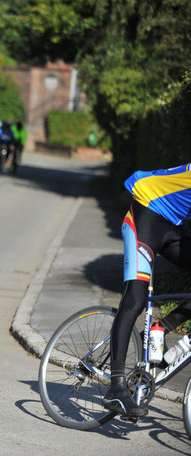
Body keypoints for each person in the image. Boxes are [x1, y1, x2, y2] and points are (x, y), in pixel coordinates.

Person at [103, 164, 191, 418]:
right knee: (135, 300)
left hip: (170, 228)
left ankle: (161, 328)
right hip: (144, 218)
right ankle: (116, 387)